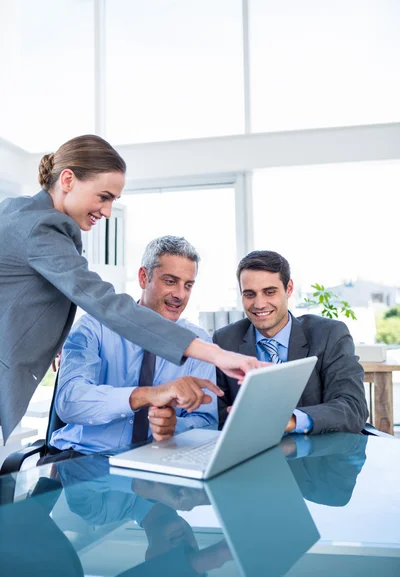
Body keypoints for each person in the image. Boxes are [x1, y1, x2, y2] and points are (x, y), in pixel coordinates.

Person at [0, 134, 264, 443]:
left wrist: (50, 337)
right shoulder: (41, 229)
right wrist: (216, 355)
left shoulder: (22, 214)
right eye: (103, 196)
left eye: (113, 200)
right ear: (68, 179)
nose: (108, 211)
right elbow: (106, 303)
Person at [49, 236, 218, 456]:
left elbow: (208, 420)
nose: (180, 294)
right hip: (87, 457)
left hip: (159, 464)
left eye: (188, 285)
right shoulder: (95, 326)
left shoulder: (199, 342)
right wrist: (147, 395)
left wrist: (175, 427)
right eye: (170, 281)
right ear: (143, 277)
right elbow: (69, 402)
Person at [213, 250, 369, 434]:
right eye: (249, 294)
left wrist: (290, 421)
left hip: (319, 453)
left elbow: (353, 407)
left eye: (269, 292)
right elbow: (219, 416)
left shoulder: (329, 334)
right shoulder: (225, 340)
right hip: (255, 452)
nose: (259, 304)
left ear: (289, 289)